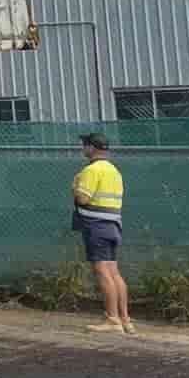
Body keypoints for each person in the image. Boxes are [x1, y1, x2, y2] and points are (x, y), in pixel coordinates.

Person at [73, 132, 134, 335]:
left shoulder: (91, 171)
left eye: (84, 145)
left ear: (92, 148)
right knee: (114, 272)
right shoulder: (114, 171)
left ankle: (112, 320)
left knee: (102, 272)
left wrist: (75, 186)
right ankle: (125, 320)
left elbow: (82, 198)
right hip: (113, 225)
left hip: (96, 226)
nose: (82, 149)